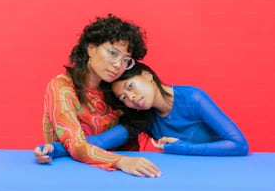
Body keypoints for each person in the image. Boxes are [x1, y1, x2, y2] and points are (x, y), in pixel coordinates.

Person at [34, 14, 161, 178]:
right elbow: (76, 145)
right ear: (91, 48)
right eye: (113, 53)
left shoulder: (119, 91)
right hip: (73, 173)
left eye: (126, 60)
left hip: (124, 177)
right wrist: (121, 161)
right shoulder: (62, 87)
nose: (118, 65)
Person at [40, 62, 249, 156]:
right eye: (124, 97)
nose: (131, 98)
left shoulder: (193, 98)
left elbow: (239, 144)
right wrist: (54, 150)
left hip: (223, 175)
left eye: (131, 86)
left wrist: (182, 148)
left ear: (147, 76)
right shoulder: (144, 117)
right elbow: (100, 143)